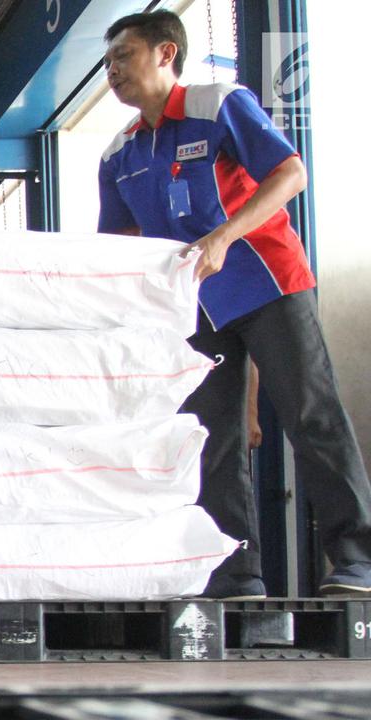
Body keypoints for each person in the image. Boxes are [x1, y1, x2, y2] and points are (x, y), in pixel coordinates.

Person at [98, 10, 371, 599]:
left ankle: (358, 559)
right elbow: (118, 249)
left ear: (166, 53)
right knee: (213, 438)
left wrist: (224, 236)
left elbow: (290, 173)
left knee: (310, 415)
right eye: (107, 61)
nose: (112, 70)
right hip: (192, 309)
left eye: (123, 55)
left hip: (267, 281)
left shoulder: (217, 103)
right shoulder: (118, 156)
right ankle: (234, 572)